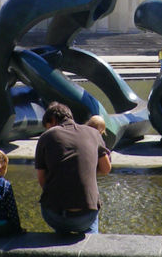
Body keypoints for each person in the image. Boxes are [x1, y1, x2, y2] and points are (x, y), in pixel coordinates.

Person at [35, 101, 111, 235]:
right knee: (92, 205)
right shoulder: (94, 133)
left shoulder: (46, 137)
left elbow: (42, 180)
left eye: (47, 126)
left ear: (52, 120)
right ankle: (91, 242)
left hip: (56, 216)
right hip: (87, 216)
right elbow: (106, 169)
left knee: (52, 201)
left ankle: (61, 235)